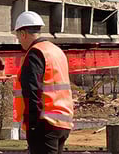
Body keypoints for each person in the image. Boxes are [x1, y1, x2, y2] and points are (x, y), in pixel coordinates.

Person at [12, 11, 74, 154]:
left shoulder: (35, 53)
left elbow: (32, 90)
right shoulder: (56, 51)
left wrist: (32, 124)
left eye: (18, 36)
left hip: (44, 124)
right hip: (62, 122)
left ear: (23, 33)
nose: (19, 41)